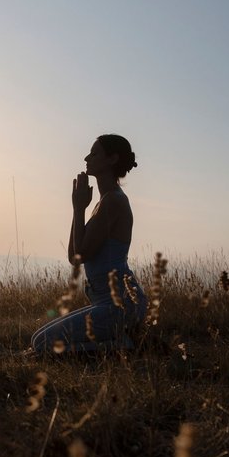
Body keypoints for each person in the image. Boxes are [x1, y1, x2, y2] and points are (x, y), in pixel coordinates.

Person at [31, 134, 147, 354]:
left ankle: (123, 346)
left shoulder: (113, 200)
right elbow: (74, 256)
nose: (87, 157)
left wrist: (78, 208)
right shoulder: (103, 202)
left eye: (94, 153)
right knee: (38, 338)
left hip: (120, 305)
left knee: (42, 343)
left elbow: (80, 255)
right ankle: (120, 342)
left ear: (112, 159)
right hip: (105, 304)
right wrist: (80, 207)